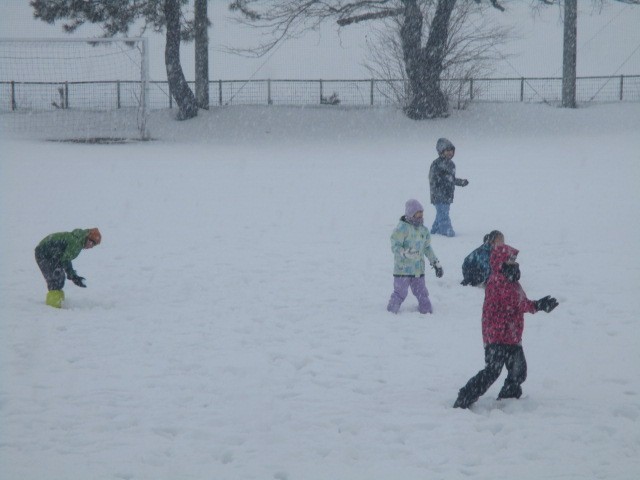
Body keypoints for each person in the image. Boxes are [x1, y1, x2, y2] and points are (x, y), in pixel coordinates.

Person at [453, 243, 559, 409]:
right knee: (492, 372)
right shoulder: (498, 281)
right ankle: (465, 397)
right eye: (510, 259)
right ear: (500, 261)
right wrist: (538, 305)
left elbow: (521, 301)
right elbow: (517, 303)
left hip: (511, 335)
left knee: (519, 371)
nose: (514, 262)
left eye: (514, 259)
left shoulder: (512, 280)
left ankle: (508, 399)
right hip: (496, 336)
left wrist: (538, 305)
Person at [387, 199, 444, 315]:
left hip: (418, 270)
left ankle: (426, 311)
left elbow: (427, 248)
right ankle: (390, 312)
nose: (421, 215)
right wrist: (404, 252)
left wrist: (435, 263)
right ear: (411, 214)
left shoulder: (423, 230)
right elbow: (395, 246)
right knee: (400, 293)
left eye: (422, 213)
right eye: (418, 213)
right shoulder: (402, 228)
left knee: (422, 293)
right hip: (403, 270)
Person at [34, 228, 102, 308]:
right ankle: (52, 307)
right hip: (44, 254)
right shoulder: (76, 243)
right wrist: (73, 276)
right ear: (87, 238)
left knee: (59, 277)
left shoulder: (76, 239)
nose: (91, 246)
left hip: (51, 255)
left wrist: (73, 276)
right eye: (92, 243)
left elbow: (65, 258)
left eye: (94, 245)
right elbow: (66, 260)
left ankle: (57, 303)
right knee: (55, 279)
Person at [429, 138, 468, 237]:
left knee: (441, 213)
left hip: (448, 194)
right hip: (438, 194)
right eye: (447, 150)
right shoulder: (436, 164)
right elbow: (433, 178)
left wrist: (460, 182)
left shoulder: (451, 164)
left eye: (451, 150)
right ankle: (446, 231)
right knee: (443, 214)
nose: (450, 152)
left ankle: (434, 231)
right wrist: (440, 182)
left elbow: (451, 179)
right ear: (441, 151)